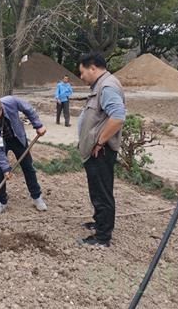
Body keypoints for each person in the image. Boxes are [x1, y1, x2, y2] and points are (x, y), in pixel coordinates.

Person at [77, 53, 126, 248]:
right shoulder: (101, 86)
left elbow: (118, 117)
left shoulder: (107, 87)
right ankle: (99, 222)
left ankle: (102, 236)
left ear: (93, 68)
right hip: (96, 150)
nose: (81, 77)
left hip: (101, 151)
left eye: (82, 72)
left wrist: (100, 142)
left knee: (102, 191)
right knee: (97, 189)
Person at [0, 96, 48, 215]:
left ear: (0, 109)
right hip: (0, 143)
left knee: (28, 167)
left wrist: (38, 125)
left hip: (17, 137)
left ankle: (36, 197)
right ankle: (1, 201)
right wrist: (6, 168)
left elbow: (28, 109)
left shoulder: (10, 102)